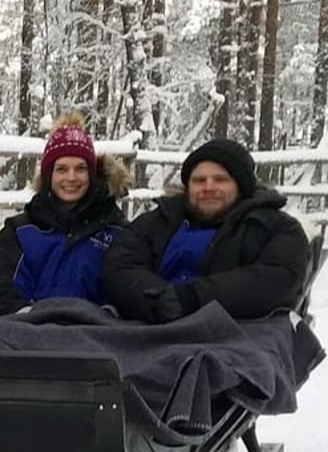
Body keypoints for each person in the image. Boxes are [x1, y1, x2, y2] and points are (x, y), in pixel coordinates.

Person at [101, 136, 311, 323]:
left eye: (221, 180)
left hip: (237, 331)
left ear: (241, 186)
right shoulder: (159, 220)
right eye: (199, 180)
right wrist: (155, 299)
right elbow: (121, 264)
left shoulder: (275, 227)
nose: (208, 187)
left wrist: (193, 298)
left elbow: (276, 279)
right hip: (152, 325)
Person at [0, 111, 132, 317]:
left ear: (91, 174)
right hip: (28, 339)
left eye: (80, 169)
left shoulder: (119, 234)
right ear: (49, 175)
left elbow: (126, 289)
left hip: (98, 339)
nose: (71, 178)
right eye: (62, 169)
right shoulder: (19, 233)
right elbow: (3, 292)